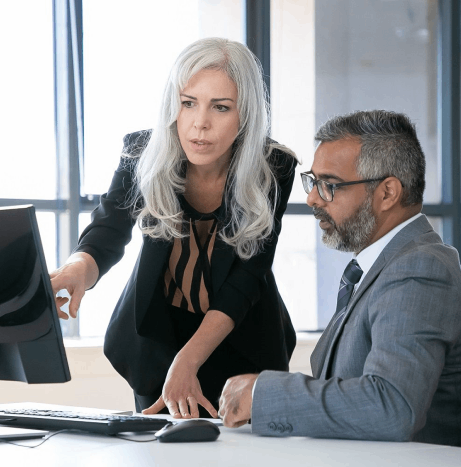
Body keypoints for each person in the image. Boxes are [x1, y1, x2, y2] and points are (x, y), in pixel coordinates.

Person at [50, 37, 299, 419]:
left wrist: (188, 362)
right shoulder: (141, 152)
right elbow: (109, 228)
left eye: (220, 107)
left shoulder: (273, 167)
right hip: (157, 341)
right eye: (188, 103)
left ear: (244, 114)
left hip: (239, 339)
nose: (200, 123)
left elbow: (247, 279)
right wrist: (76, 270)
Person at [218, 110, 461, 447]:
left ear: (388, 193)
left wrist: (264, 394)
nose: (312, 198)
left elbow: (391, 406)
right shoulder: (382, 268)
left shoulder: (419, 270)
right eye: (312, 181)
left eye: (329, 185)